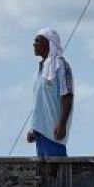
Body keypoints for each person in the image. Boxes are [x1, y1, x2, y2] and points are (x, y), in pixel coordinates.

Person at [25, 28, 74, 157]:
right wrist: (34, 129)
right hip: (40, 133)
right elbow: (40, 104)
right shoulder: (41, 69)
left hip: (54, 132)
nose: (34, 44)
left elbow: (67, 95)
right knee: (43, 175)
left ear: (49, 43)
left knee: (57, 173)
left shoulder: (61, 65)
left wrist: (62, 124)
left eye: (37, 40)